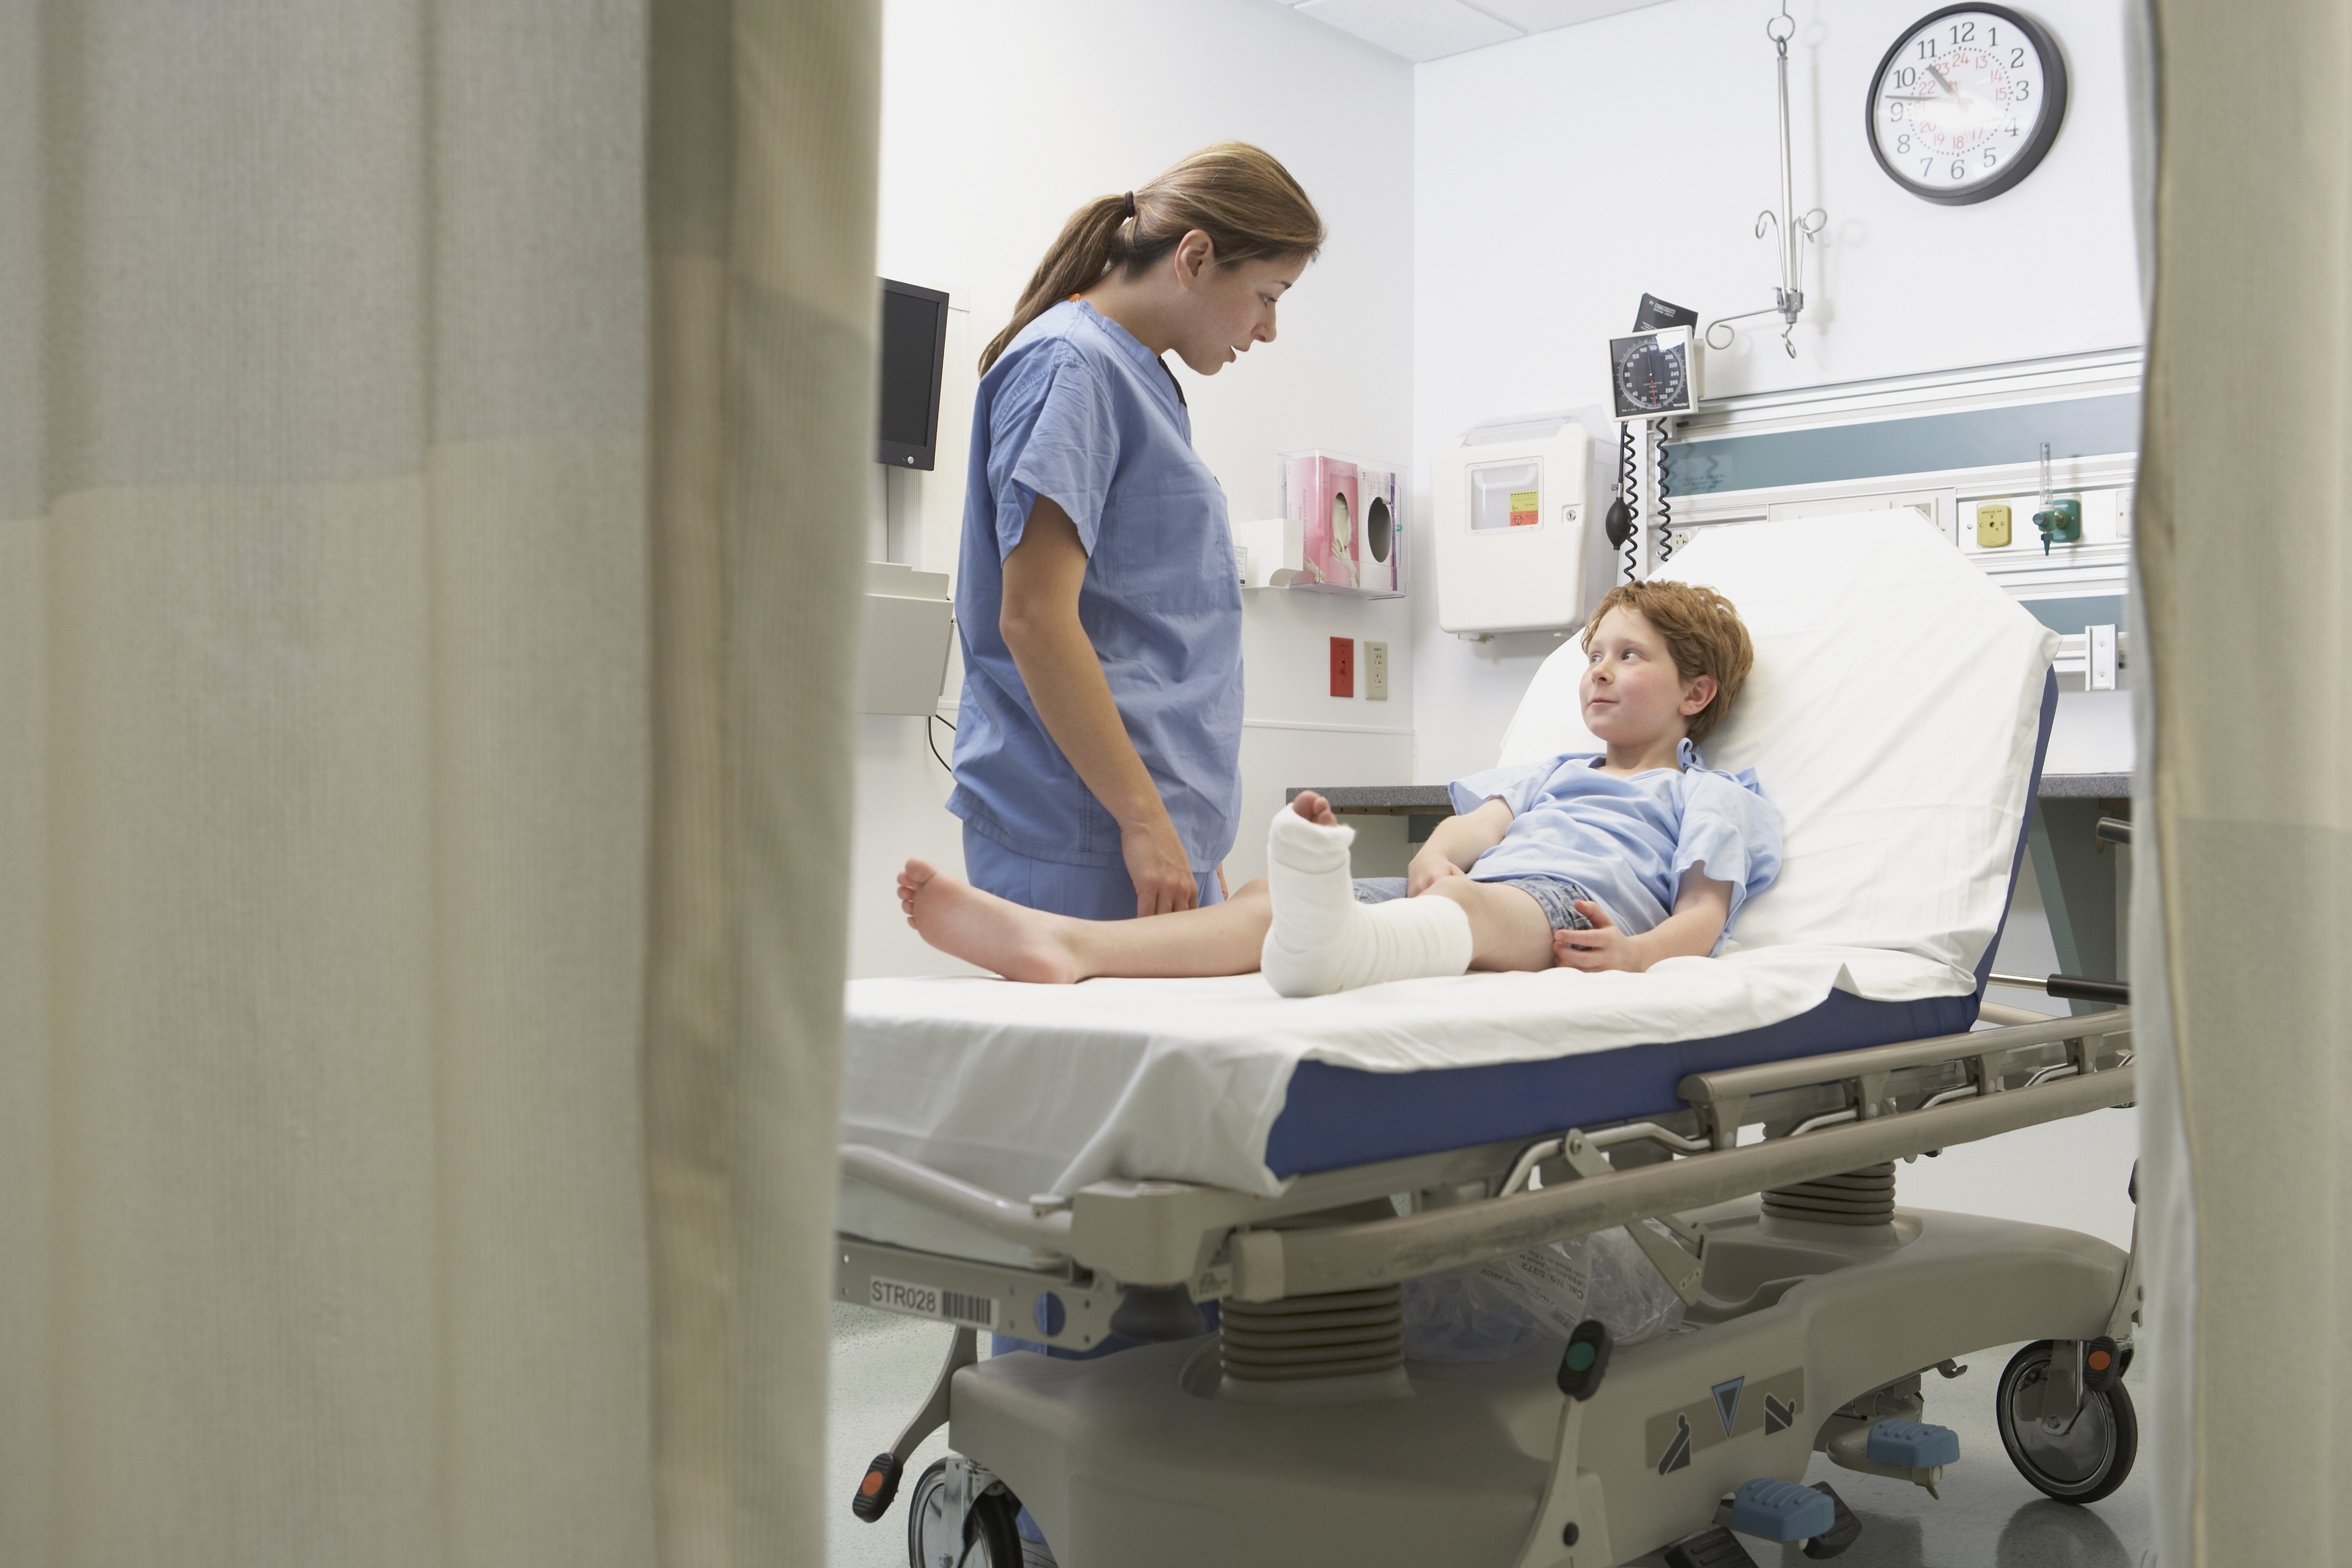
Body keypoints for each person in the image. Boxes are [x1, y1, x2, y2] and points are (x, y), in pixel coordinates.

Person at [901, 580, 1783, 995]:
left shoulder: (1709, 796)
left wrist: (1637, 956)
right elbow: (1469, 832)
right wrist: (1436, 861)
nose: (1599, 672)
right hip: (1476, 897)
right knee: (1268, 893)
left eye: (1630, 657)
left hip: (1569, 914)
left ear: (1695, 693)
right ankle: (1071, 945)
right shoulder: (1551, 773)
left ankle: (1336, 945)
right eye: (1594, 656)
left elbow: (1704, 915)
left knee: (1466, 909)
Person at [950, 144, 1325, 920]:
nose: (1269, 329)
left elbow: (1144, 627)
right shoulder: (1070, 367)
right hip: (1084, 831)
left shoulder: (1137, 378)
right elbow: (1034, 617)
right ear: (1195, 257)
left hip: (1145, 831)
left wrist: (1182, 832)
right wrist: (1146, 823)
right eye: (1267, 296)